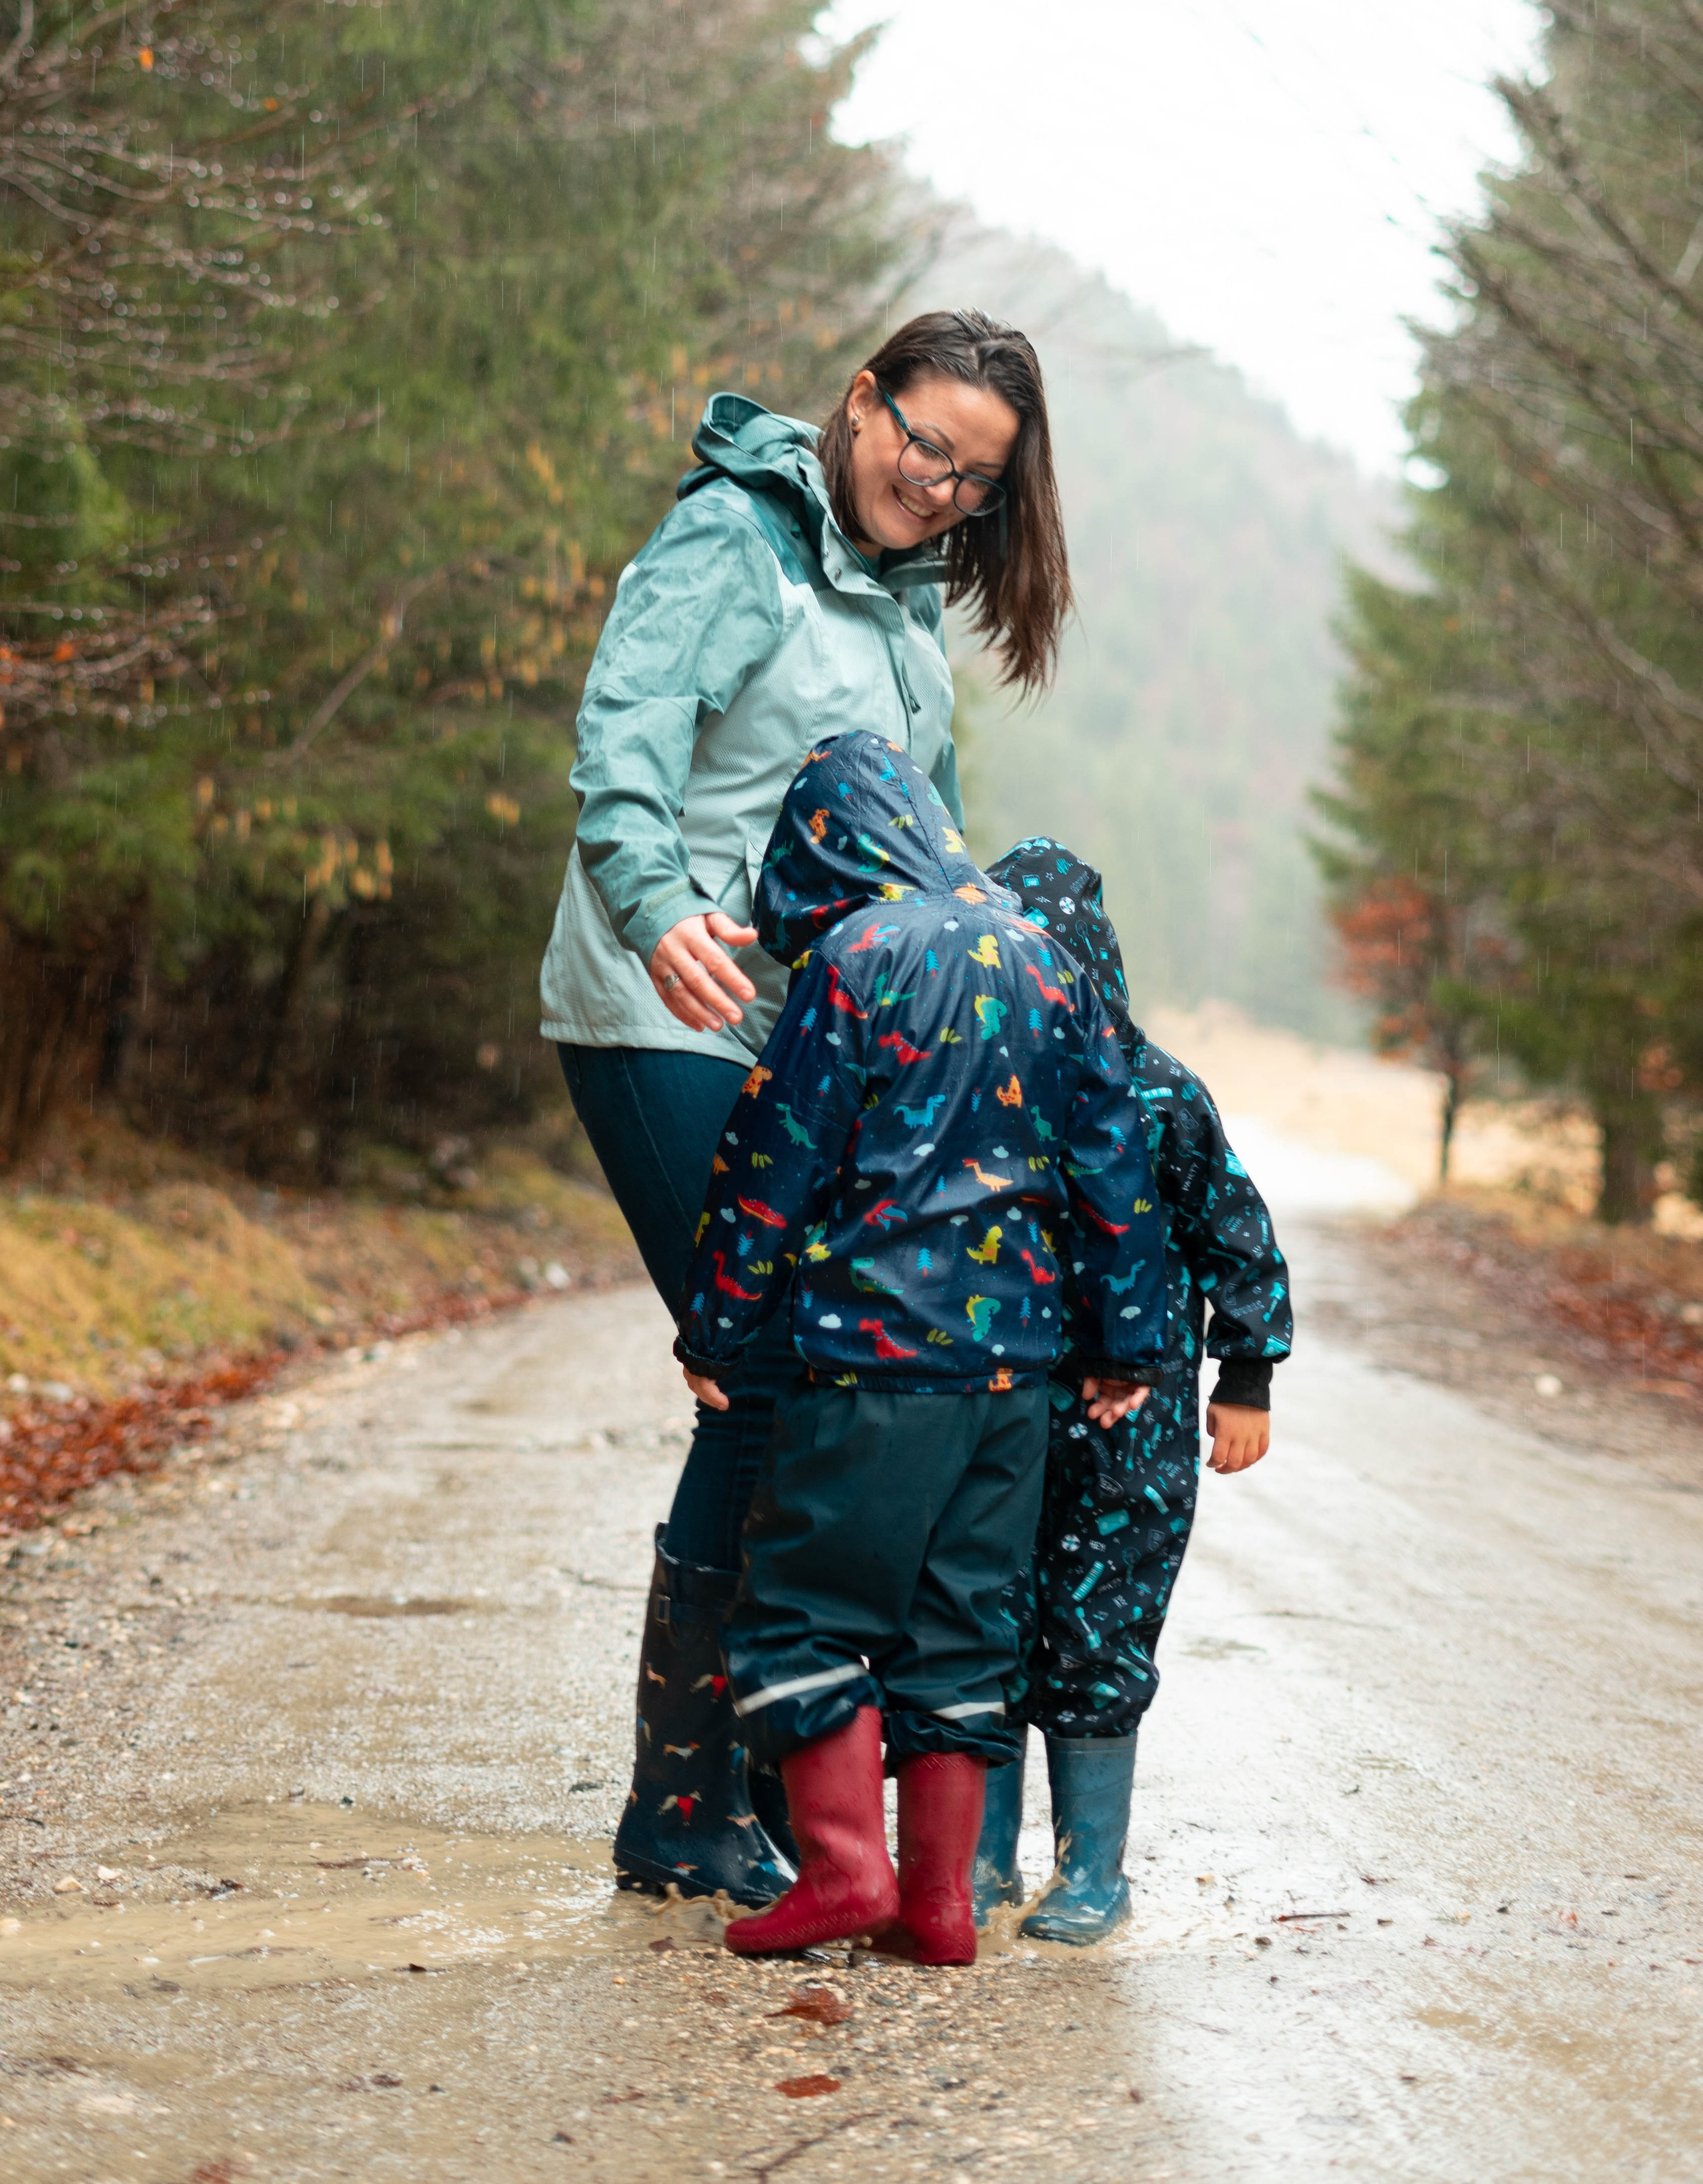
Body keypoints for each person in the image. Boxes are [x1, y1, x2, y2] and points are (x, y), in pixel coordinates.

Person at [538, 313, 1071, 1905]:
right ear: (861, 401)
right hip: (670, 997)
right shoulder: (736, 540)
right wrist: (651, 906)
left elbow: (930, 852)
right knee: (767, 1381)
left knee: (818, 1384)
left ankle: (769, 1796)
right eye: (924, 443)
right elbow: (623, 735)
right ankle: (681, 1807)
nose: (937, 487)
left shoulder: (906, 616)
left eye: (973, 479)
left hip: (817, 1045)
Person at [672, 732, 1171, 1965]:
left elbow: (775, 1156)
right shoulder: (1047, 961)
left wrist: (718, 1322)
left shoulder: (857, 954)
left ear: (825, 846)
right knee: (961, 1630)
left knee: (800, 1612)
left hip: (872, 1366)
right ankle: (941, 1904)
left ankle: (845, 1868)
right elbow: (1114, 1168)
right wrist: (1130, 1343)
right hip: (1013, 1385)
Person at [972, 838, 1292, 1944]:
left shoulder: (1160, 1092)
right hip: (999, 1410)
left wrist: (1245, 1375)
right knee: (985, 1617)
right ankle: (979, 1857)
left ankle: (1091, 1868)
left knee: (1098, 1631)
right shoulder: (973, 1089)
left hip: (1132, 1434)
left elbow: (1237, 1237)